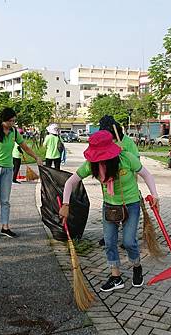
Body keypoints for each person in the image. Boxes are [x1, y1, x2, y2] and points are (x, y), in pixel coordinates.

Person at [59, 131, 159, 292]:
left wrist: (155, 195)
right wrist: (65, 204)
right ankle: (116, 276)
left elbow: (147, 175)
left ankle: (137, 265)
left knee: (128, 242)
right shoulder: (91, 165)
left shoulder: (126, 158)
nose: (101, 160)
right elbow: (70, 182)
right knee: (109, 242)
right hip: (110, 207)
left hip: (131, 204)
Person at [0, 107, 41, 239]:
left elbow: (25, 147)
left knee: (5, 201)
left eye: (14, 121)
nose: (13, 123)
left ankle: (5, 227)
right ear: (3, 120)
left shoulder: (14, 132)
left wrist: (36, 157)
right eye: (10, 121)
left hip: (8, 170)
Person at [97, 115, 140, 247]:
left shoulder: (127, 142)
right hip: (108, 186)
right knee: (111, 211)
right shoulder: (103, 141)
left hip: (126, 185)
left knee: (127, 213)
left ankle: (129, 239)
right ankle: (109, 236)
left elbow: (137, 164)